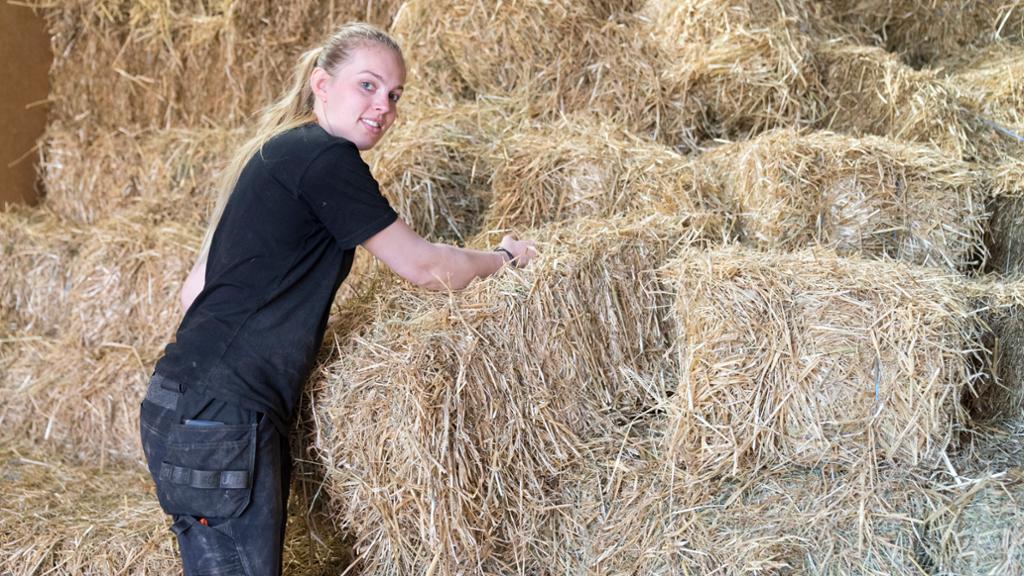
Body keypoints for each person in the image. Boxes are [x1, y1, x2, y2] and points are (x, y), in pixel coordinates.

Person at [138, 22, 536, 576]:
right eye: (368, 86)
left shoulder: (276, 152)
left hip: (177, 406)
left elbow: (193, 295)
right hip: (222, 421)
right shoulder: (326, 159)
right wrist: (507, 259)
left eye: (394, 95)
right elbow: (423, 267)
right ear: (321, 84)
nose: (384, 107)